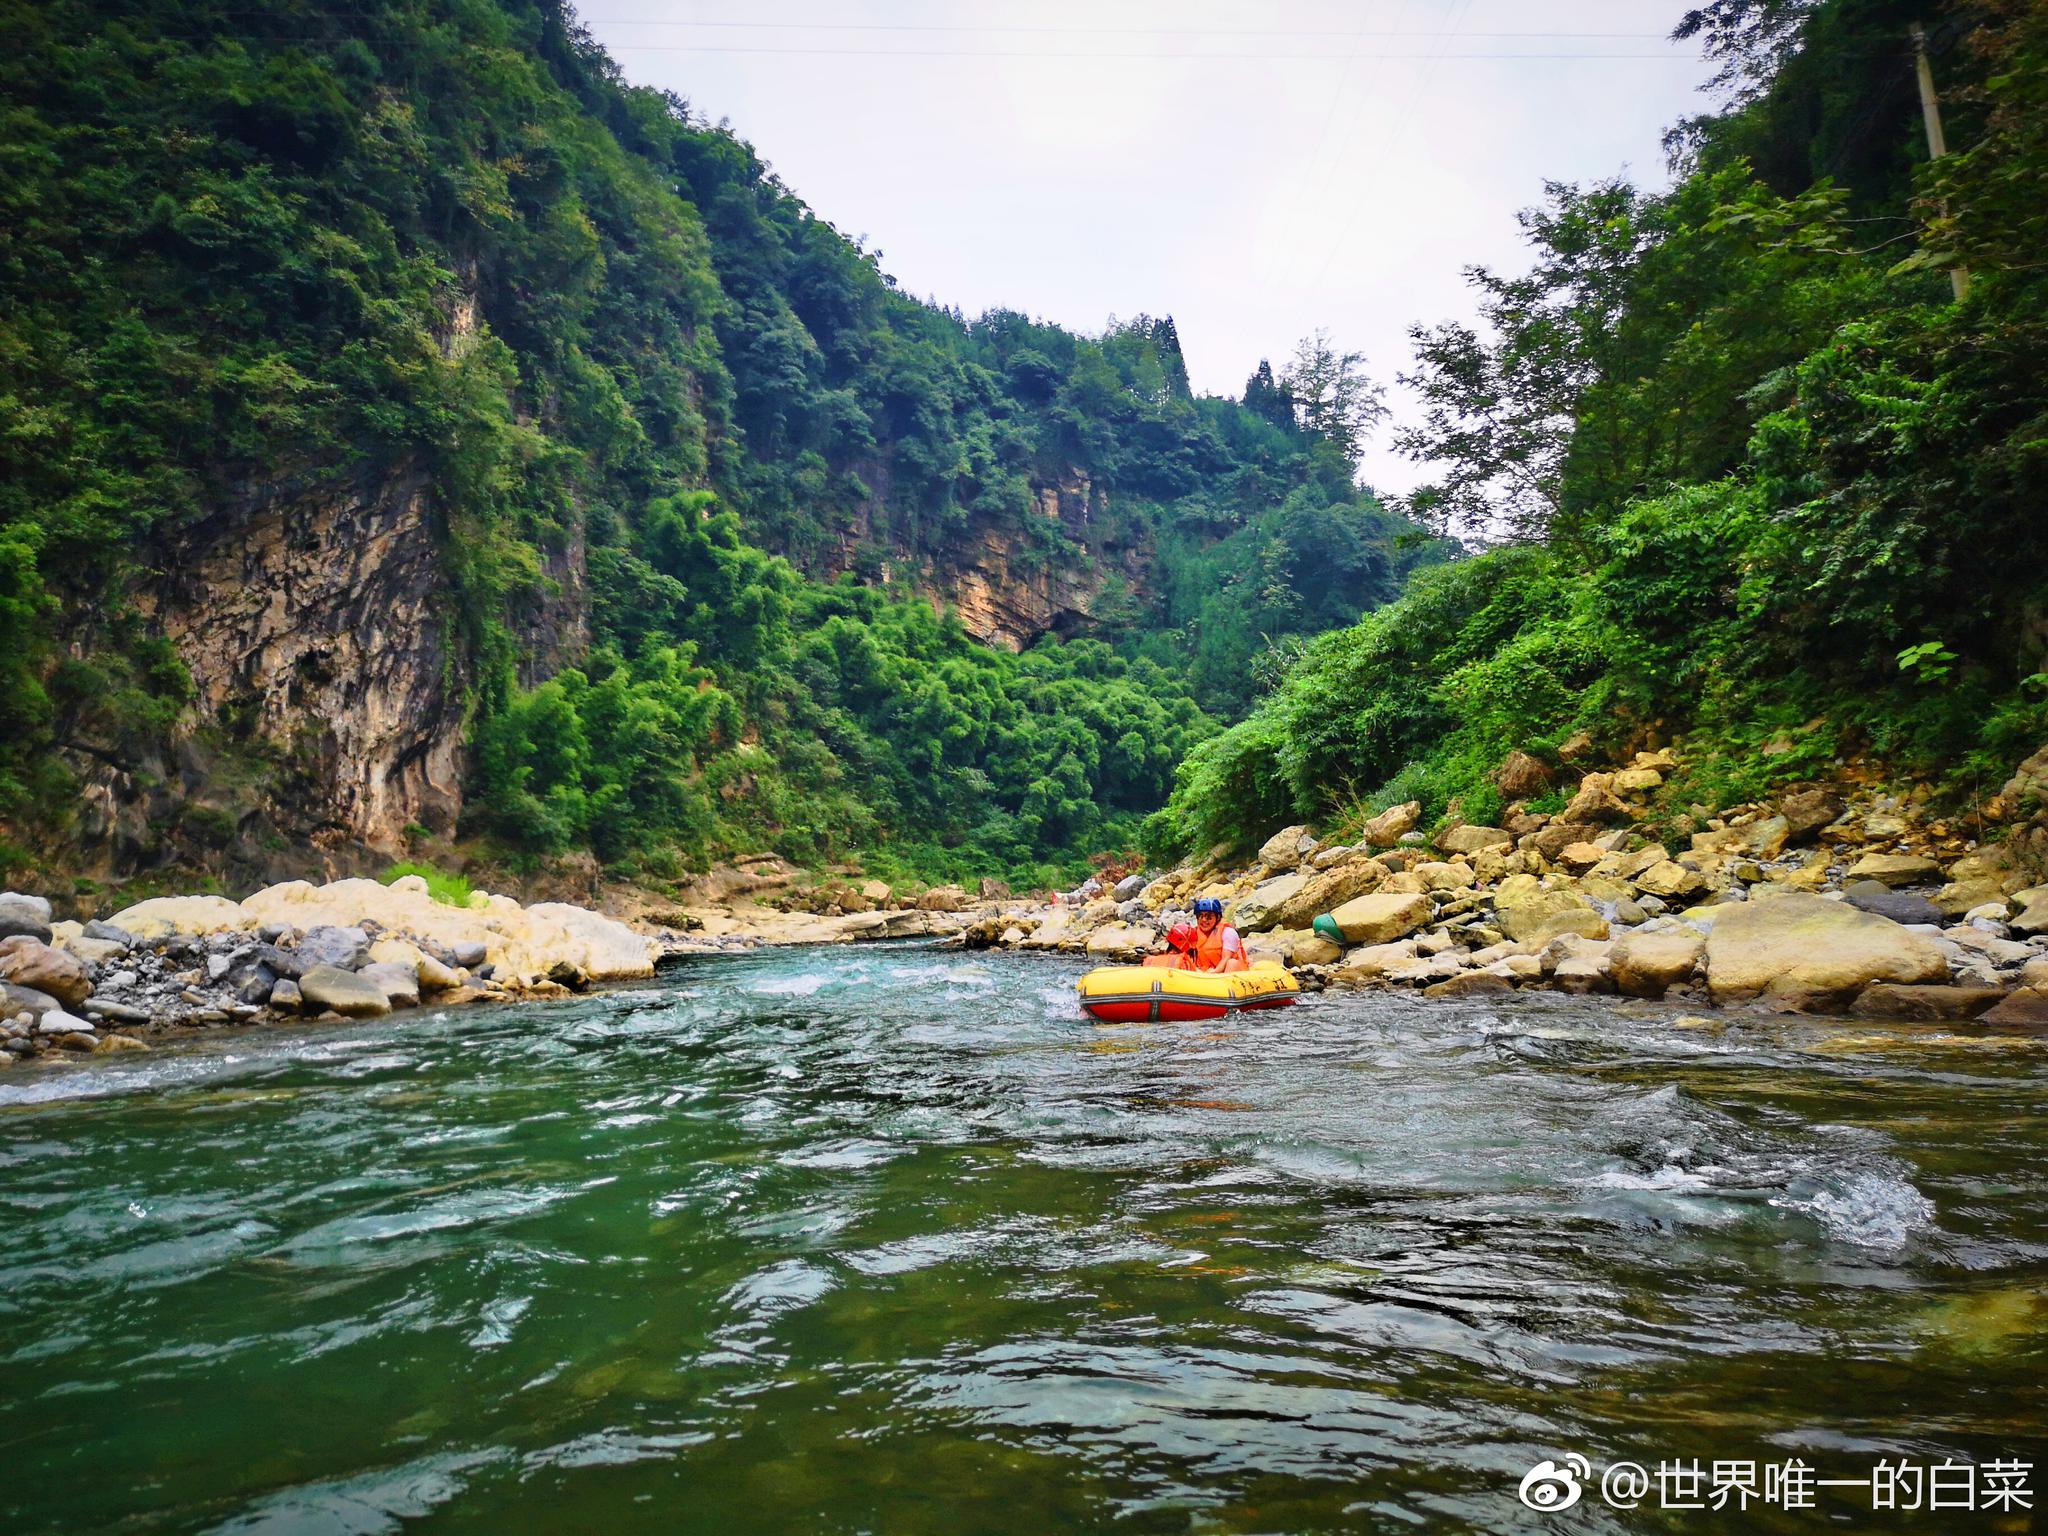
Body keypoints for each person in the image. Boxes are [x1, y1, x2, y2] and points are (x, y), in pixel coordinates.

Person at [1187, 896, 1249, 973]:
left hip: (1227, 971)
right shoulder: (1193, 934)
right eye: (1200, 916)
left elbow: (1226, 958)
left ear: (1218, 917)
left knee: (1232, 963)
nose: (1204, 920)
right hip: (1204, 972)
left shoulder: (1228, 932)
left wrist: (1214, 972)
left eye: (1209, 916)